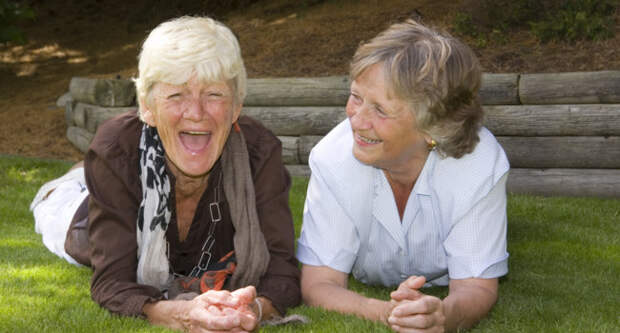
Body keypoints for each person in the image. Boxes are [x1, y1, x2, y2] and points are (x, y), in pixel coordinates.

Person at [31, 16, 300, 332]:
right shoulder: (117, 149)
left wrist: (252, 309)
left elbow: (284, 272)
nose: (196, 112)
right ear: (147, 106)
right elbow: (112, 282)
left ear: (236, 106)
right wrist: (184, 315)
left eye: (214, 94)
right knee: (53, 204)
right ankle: (74, 179)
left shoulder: (259, 152)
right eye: (176, 95)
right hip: (77, 216)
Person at [296, 19, 510, 332]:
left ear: (433, 128)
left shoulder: (480, 165)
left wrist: (442, 317)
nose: (357, 121)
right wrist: (386, 312)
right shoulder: (331, 159)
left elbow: (477, 288)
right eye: (356, 97)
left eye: (380, 110)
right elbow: (319, 283)